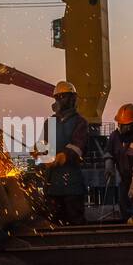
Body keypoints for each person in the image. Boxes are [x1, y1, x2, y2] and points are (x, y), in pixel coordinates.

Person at [42, 80, 89, 224]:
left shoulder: (80, 122)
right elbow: (44, 146)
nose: (62, 100)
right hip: (53, 186)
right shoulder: (49, 122)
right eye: (60, 97)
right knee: (54, 224)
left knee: (75, 221)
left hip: (72, 185)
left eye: (65, 97)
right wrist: (40, 154)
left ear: (72, 99)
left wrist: (62, 157)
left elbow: (78, 147)